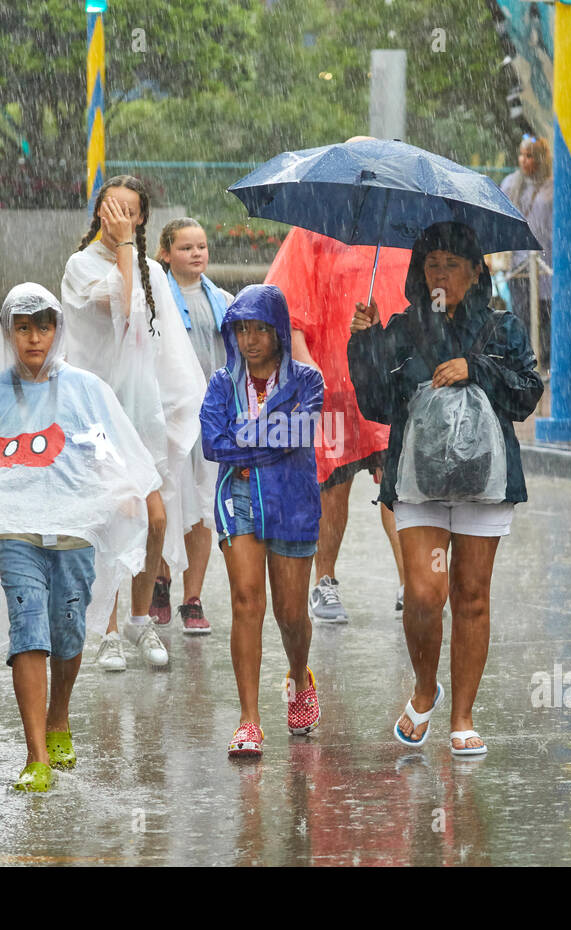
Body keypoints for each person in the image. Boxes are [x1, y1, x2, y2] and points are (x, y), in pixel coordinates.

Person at [0, 284, 157, 790]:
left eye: (43, 327)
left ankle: (59, 714)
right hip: (15, 528)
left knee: (67, 631)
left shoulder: (87, 389)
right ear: (8, 333)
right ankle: (36, 756)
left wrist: (124, 493)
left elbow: (107, 451)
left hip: (75, 526)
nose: (34, 338)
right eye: (22, 328)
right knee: (28, 631)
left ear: (57, 330)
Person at [348, 221, 544, 757]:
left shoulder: (502, 330)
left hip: (485, 479)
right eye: (431, 264)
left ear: (476, 271)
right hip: (418, 479)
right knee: (426, 594)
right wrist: (363, 342)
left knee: (473, 597)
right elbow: (376, 405)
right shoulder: (404, 328)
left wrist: (475, 369)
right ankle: (424, 687)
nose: (440, 273)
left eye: (452, 264)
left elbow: (527, 393)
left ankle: (462, 715)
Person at [62, 175, 206, 670]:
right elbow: (122, 311)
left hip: (142, 414)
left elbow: (165, 349)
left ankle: (139, 621)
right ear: (98, 212)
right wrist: (125, 246)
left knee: (155, 519)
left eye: (129, 211)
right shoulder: (81, 268)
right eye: (110, 208)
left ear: (143, 217)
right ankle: (103, 629)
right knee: (110, 516)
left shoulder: (152, 271)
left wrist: (176, 410)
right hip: (95, 417)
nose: (118, 217)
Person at [264, 139, 410, 623]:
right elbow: (291, 308)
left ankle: (412, 582)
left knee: (398, 482)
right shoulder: (313, 230)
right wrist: (310, 373)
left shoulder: (404, 228)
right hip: (333, 384)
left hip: (390, 382)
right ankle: (324, 581)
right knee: (331, 485)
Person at [200, 284, 325, 757]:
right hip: (238, 499)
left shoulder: (307, 382)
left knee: (291, 613)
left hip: (292, 500)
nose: (249, 339)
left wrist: (246, 436)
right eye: (241, 329)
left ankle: (298, 675)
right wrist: (268, 435)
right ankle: (249, 720)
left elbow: (299, 434)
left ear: (278, 331)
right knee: (246, 601)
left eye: (259, 329)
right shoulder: (220, 384)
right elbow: (213, 443)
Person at [155, 217, 234, 634]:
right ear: (166, 253)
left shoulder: (223, 299)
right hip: (169, 418)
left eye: (202, 246)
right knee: (169, 501)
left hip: (212, 418)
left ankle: (193, 597)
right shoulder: (154, 299)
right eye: (186, 248)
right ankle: (160, 581)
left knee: (204, 506)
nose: (197, 253)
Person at [499, 134, 554, 363]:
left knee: (546, 312)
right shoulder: (511, 183)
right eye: (521, 155)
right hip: (519, 261)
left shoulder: (554, 185)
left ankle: (547, 358)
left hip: (547, 262)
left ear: (541, 158)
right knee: (522, 313)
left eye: (529, 155)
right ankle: (526, 359)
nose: (524, 160)